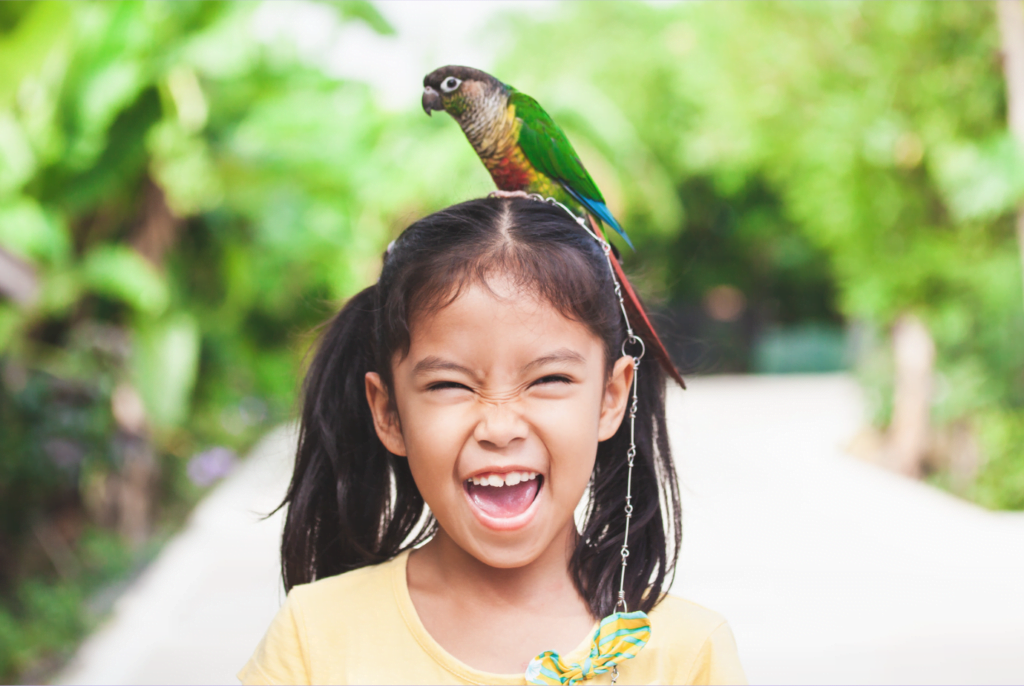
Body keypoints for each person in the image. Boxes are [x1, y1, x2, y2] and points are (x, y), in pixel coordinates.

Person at [238, 196, 746, 685]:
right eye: (450, 385)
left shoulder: (685, 652)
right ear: (389, 412)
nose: (500, 428)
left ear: (611, 398)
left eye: (549, 380)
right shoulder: (314, 635)